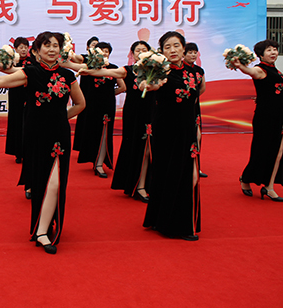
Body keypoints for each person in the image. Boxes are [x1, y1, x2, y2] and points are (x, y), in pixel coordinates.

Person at [0, 31, 85, 254]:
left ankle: (43, 230)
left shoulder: (67, 75)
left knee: (56, 182)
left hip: (60, 135)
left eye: (55, 45)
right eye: (47, 45)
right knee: (42, 181)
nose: (52, 49)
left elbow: (80, 104)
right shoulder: (30, 72)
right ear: (37, 51)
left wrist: (61, 118)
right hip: (36, 134)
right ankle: (41, 228)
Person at [142, 31, 201, 241]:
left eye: (176, 45)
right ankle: (173, 226)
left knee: (187, 174)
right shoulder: (159, 71)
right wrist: (148, 85)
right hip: (166, 130)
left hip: (187, 129)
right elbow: (148, 85)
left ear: (184, 48)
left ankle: (162, 219)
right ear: (162, 51)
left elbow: (196, 95)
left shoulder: (194, 73)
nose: (172, 50)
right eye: (167, 47)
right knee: (168, 173)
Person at [79, 41, 155, 202]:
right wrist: (88, 71)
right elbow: (108, 73)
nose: (141, 52)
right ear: (132, 54)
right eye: (138, 50)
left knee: (149, 149)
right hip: (133, 114)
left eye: (144, 50)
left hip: (152, 114)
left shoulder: (156, 72)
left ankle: (144, 184)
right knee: (133, 146)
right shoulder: (127, 70)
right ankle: (135, 184)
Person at [235, 39, 283, 202]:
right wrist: (240, 66)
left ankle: (269, 186)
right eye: (269, 50)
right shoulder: (260, 69)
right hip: (265, 118)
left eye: (275, 49)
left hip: (278, 117)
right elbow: (251, 72)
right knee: (261, 151)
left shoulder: (275, 70)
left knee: (278, 152)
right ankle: (246, 178)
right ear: (260, 55)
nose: (273, 52)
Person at [73, 41, 126, 178]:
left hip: (107, 106)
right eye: (101, 51)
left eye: (106, 51)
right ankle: (92, 158)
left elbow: (122, 87)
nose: (104, 53)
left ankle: (99, 163)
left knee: (104, 133)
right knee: (91, 132)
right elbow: (74, 65)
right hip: (91, 106)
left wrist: (109, 94)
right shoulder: (88, 67)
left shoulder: (113, 68)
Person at [5, 37, 33, 165]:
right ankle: (17, 152)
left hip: (28, 94)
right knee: (16, 121)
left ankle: (28, 151)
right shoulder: (11, 61)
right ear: (15, 49)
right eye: (21, 47)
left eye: (26, 47)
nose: (23, 50)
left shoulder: (32, 61)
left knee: (28, 122)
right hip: (15, 93)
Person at [184, 42, 208, 178]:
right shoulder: (180, 69)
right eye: (190, 52)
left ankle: (196, 167)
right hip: (181, 107)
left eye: (195, 52)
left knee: (197, 136)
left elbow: (202, 87)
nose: (193, 55)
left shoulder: (199, 70)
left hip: (194, 107)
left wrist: (193, 97)